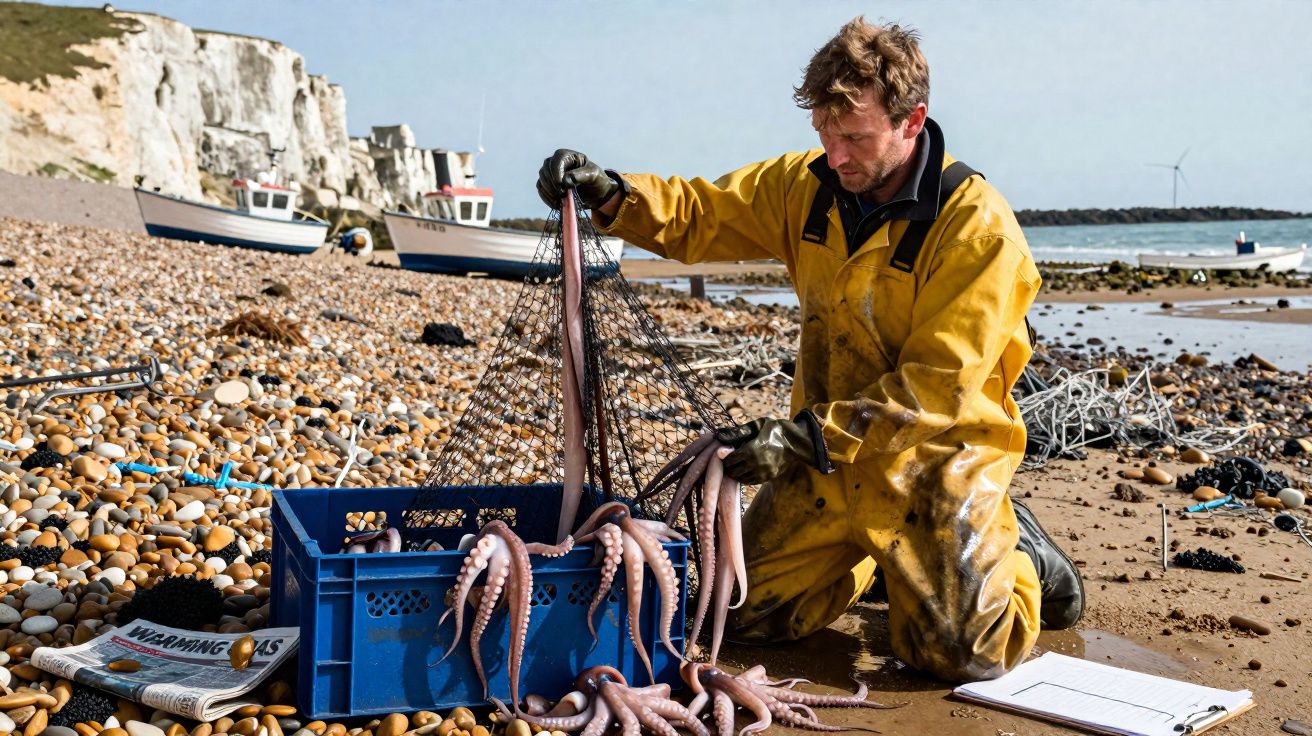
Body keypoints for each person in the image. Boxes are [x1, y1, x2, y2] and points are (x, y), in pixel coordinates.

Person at [536, 17, 1083, 682]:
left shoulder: (977, 231)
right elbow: (703, 215)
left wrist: (797, 440)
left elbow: (937, 388)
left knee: (964, 654)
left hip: (936, 463)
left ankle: (1017, 551)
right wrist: (615, 196)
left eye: (854, 136)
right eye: (824, 134)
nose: (836, 154)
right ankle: (875, 559)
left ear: (913, 122)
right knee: (737, 613)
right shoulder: (806, 185)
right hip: (825, 463)